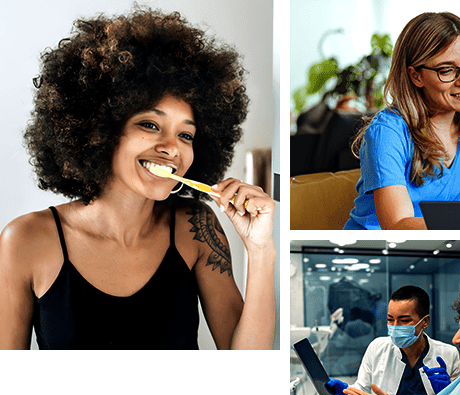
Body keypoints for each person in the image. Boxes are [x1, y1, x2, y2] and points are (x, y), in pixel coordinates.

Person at [0, 8, 276, 349]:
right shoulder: (25, 240)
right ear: (102, 129)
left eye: (186, 135)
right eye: (150, 125)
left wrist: (261, 249)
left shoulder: (196, 228)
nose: (172, 148)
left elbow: (244, 376)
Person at [343, 12, 460, 230]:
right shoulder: (388, 131)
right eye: (446, 70)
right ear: (416, 76)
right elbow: (397, 225)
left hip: (446, 247)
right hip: (381, 251)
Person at [326, 286, 460, 395]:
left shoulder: (448, 354)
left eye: (404, 320)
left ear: (425, 321)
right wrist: (345, 392)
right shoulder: (377, 347)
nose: (395, 326)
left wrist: (448, 393)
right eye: (390, 319)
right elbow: (362, 389)